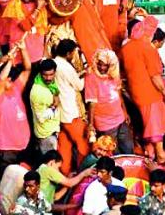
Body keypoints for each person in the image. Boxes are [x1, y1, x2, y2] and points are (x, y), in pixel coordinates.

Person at [120, 17, 165, 161]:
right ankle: (160, 154)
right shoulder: (148, 48)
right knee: (155, 121)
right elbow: (155, 76)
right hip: (150, 92)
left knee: (147, 122)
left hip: (135, 91)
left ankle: (150, 152)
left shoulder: (126, 46)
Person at [0, 42, 32, 178]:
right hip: (5, 149)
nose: (10, 80)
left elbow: (27, 69)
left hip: (23, 146)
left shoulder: (16, 89)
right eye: (9, 79)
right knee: (6, 181)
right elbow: (2, 79)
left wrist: (23, 49)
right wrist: (10, 60)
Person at [52, 39, 90, 175]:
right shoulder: (66, 67)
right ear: (68, 53)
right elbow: (79, 86)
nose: (74, 55)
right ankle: (82, 173)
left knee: (64, 147)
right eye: (74, 52)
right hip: (70, 113)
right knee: (83, 145)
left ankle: (64, 174)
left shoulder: (54, 63)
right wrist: (87, 74)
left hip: (59, 115)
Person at [85, 48, 133, 154]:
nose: (102, 68)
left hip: (120, 117)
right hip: (105, 122)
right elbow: (92, 102)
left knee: (128, 147)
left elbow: (119, 93)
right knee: (112, 151)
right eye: (100, 64)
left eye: (105, 65)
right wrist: (91, 124)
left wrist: (125, 112)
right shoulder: (91, 75)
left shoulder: (114, 73)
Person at [30, 59, 61, 153]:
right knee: (50, 164)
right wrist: (54, 106)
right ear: (40, 73)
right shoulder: (38, 92)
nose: (48, 78)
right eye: (45, 75)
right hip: (46, 136)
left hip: (52, 130)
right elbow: (41, 118)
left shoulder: (50, 84)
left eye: (51, 74)